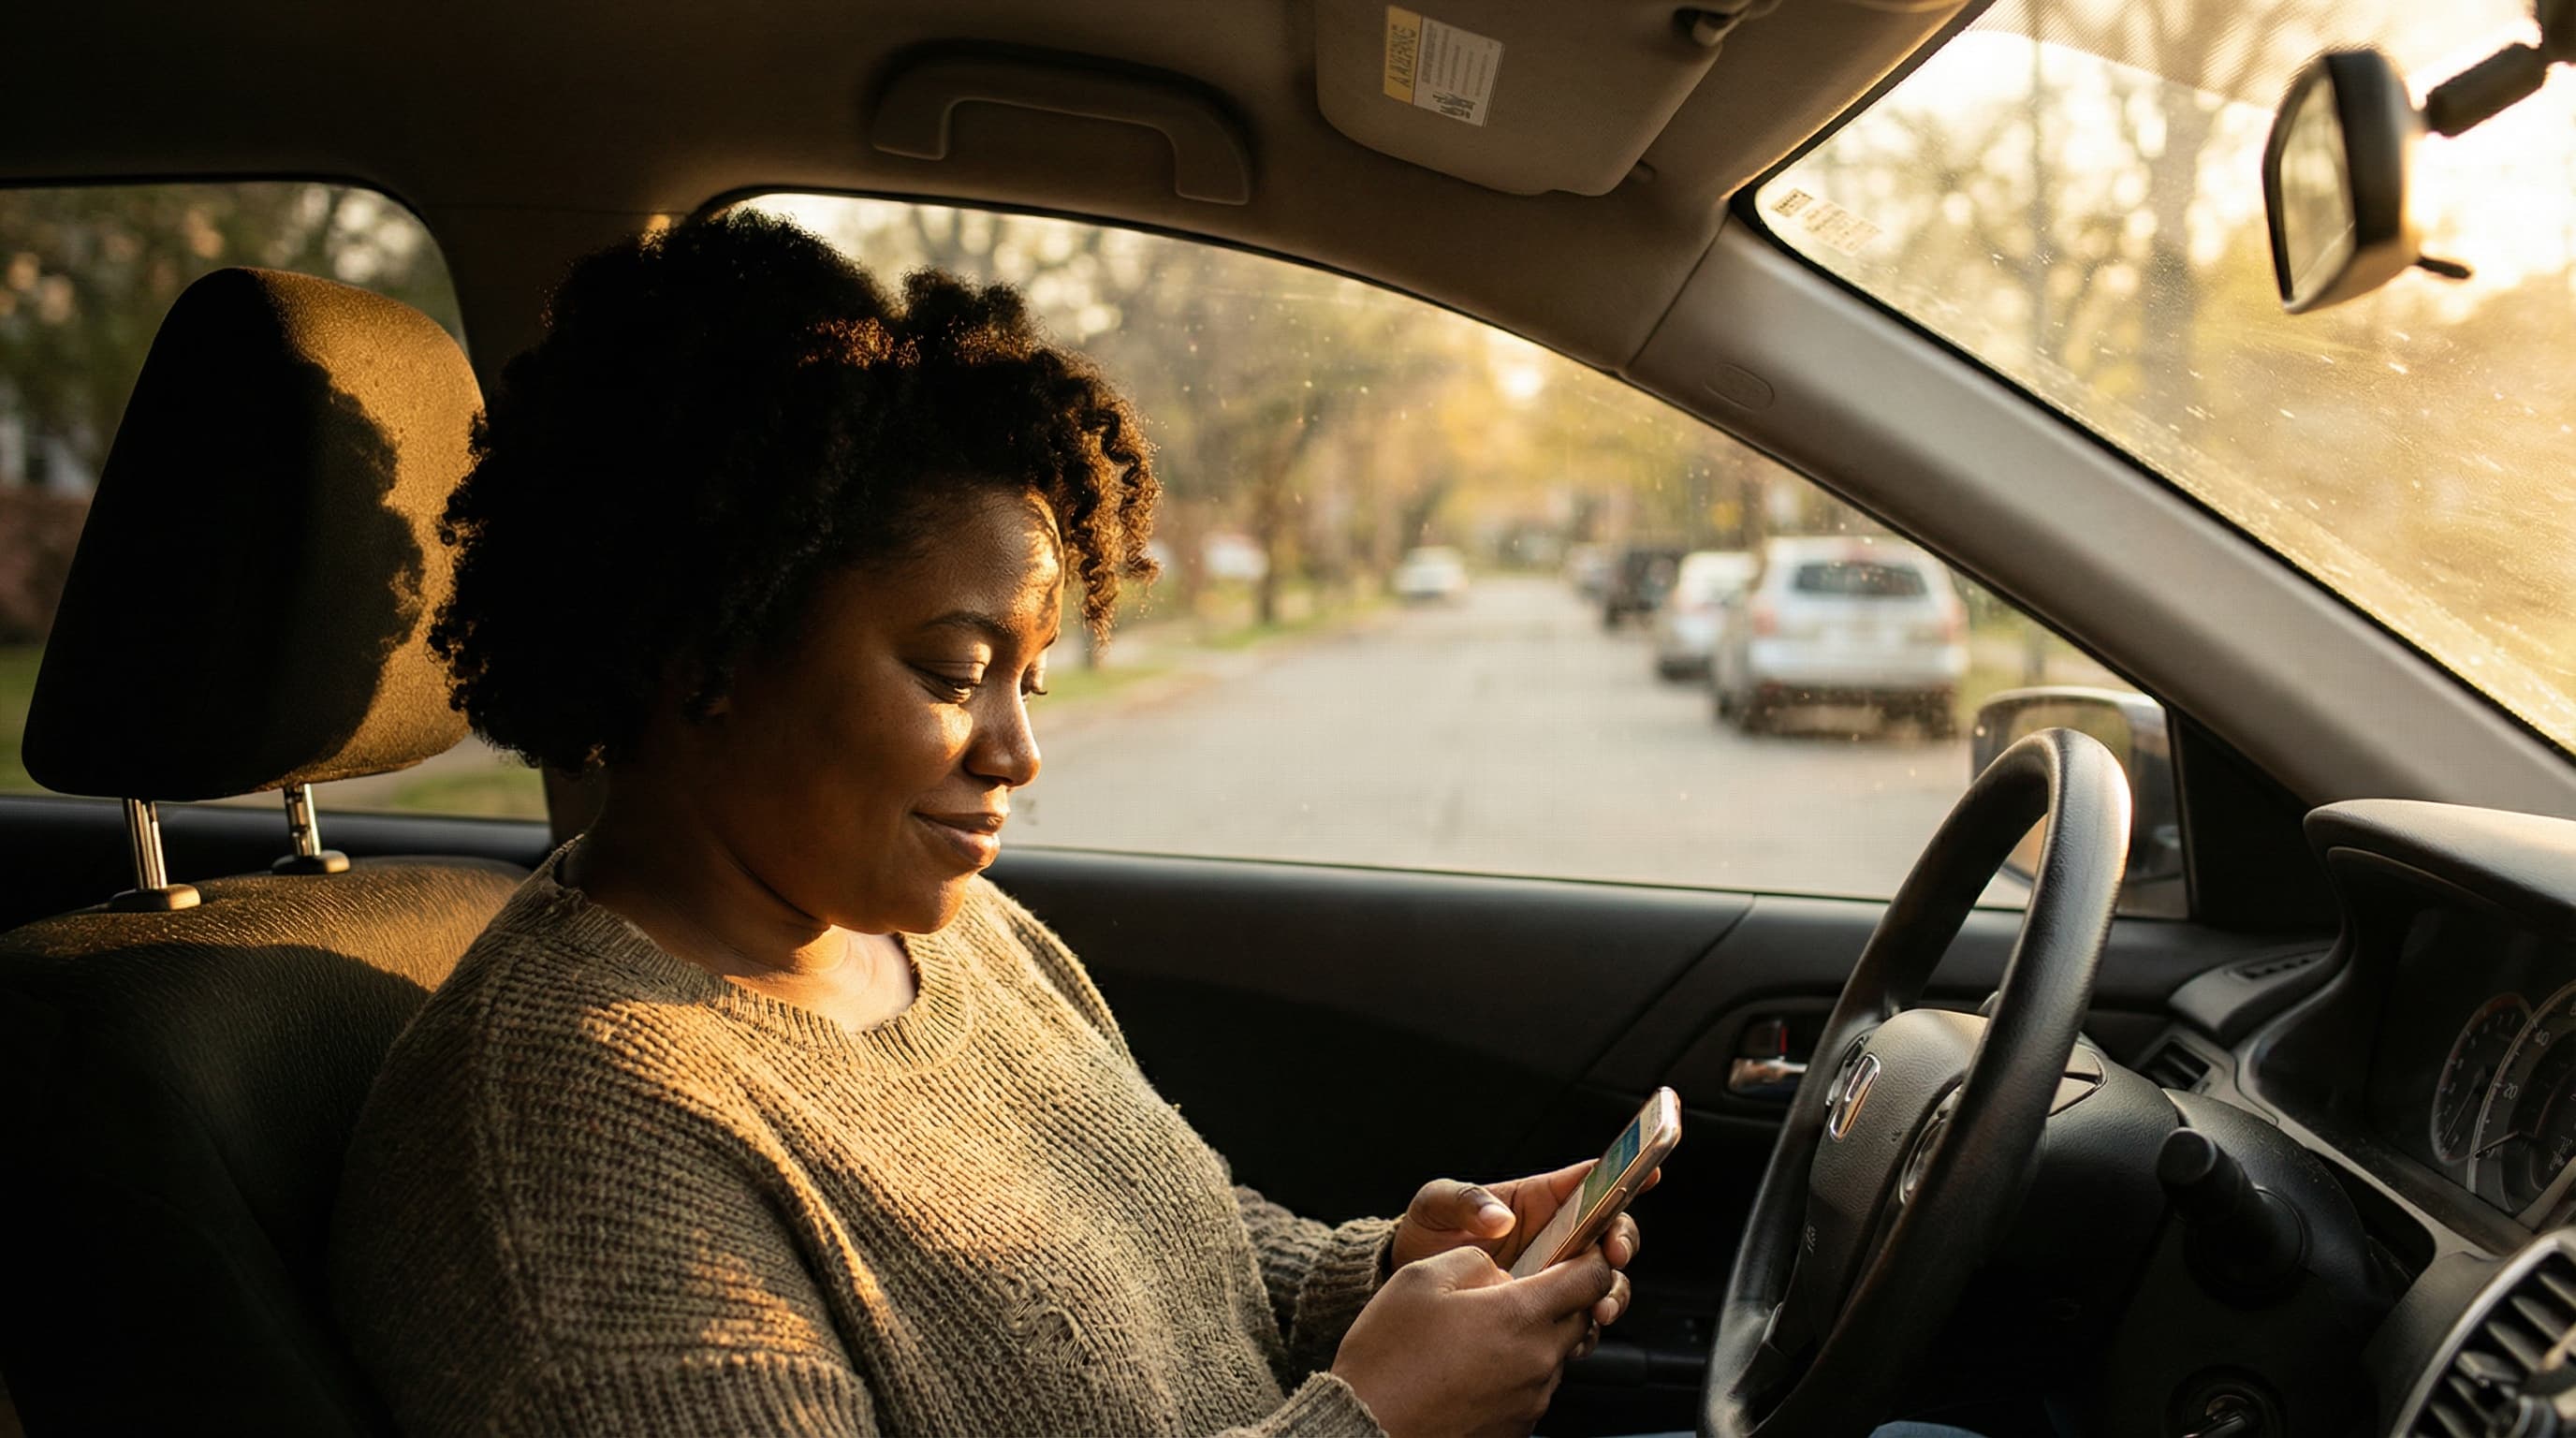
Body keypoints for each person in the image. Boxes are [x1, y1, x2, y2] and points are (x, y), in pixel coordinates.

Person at [330, 212, 1646, 1438]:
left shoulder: (945, 931)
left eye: (1033, 678)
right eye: (956, 677)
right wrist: (1367, 1415)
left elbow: (1162, 1243)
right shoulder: (570, 1139)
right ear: (705, 650)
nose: (1018, 752)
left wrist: (1374, 1282)